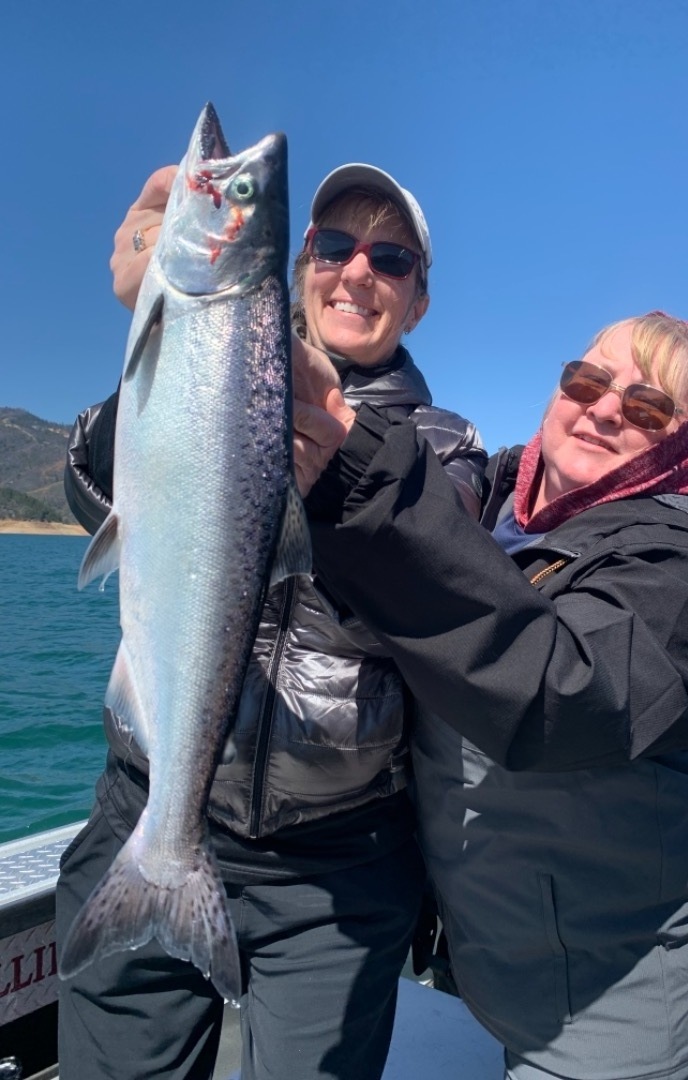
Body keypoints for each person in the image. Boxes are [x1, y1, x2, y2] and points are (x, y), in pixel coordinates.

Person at [58, 161, 485, 1080]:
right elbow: (90, 483)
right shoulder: (223, 361)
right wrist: (159, 336)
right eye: (333, 245)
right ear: (299, 265)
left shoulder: (449, 447)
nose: (357, 270)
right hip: (148, 809)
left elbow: (432, 576)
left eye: (391, 258)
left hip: (335, 867)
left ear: (418, 300)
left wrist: (339, 467)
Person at [295, 311, 688, 1080]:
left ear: (687, 447)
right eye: (586, 381)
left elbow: (555, 692)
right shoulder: (496, 506)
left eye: (649, 409)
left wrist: (361, 471)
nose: (605, 407)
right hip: (501, 963)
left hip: (619, 1009)